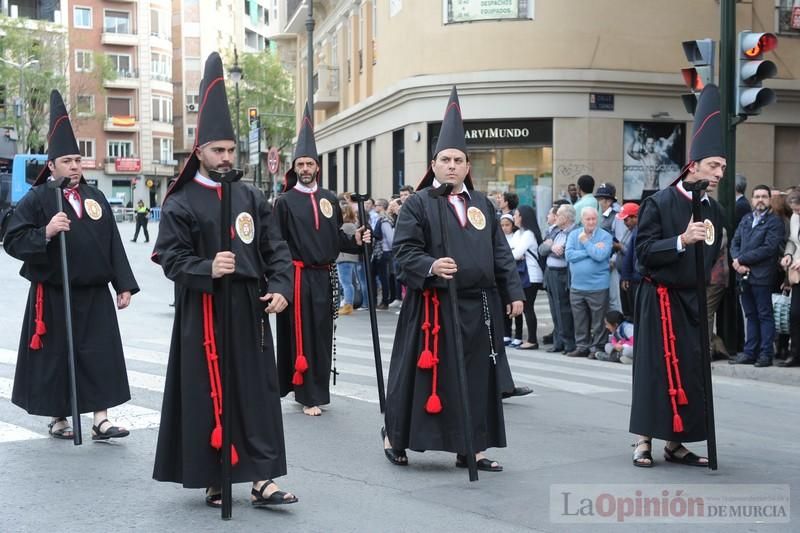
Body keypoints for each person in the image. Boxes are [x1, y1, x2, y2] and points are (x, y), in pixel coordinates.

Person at [151, 53, 297, 507]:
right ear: (200, 152)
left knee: (258, 393)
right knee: (209, 390)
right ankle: (216, 475)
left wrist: (280, 289)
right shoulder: (181, 201)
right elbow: (170, 258)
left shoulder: (252, 194)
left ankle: (263, 479)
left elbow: (276, 250)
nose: (227, 157)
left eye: (232, 150)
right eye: (219, 150)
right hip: (205, 311)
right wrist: (206, 267)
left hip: (250, 308)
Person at [381, 87, 525, 470]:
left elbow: (500, 252)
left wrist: (513, 291)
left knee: (477, 377)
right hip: (432, 306)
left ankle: (472, 447)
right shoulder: (418, 203)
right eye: (444, 159)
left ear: (467, 165)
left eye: (458, 159)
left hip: (478, 305)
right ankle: (396, 435)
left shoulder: (481, 205)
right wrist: (431, 265)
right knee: (418, 376)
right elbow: (405, 251)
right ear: (434, 163)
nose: (451, 165)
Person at [4, 90, 138, 441]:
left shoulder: (95, 198)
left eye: (78, 160)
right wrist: (46, 232)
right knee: (57, 356)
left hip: (94, 293)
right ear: (52, 166)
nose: (75, 167)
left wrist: (122, 284)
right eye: (67, 161)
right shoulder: (38, 199)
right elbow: (13, 239)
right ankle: (58, 416)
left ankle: (101, 418)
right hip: (55, 292)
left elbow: (112, 241)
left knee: (99, 353)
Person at [629, 84, 726, 468]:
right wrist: (681, 240)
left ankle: (677, 442)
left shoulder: (715, 211)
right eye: (714, 165)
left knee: (689, 370)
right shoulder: (659, 202)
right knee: (654, 370)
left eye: (722, 166)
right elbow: (643, 254)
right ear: (693, 166)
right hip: (659, 299)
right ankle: (643, 441)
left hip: (691, 301)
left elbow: (714, 257)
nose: (720, 172)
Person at [274, 104, 370, 417]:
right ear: (295, 167)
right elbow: (276, 244)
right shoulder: (285, 201)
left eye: (309, 164)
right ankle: (306, 394)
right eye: (300, 164)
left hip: (325, 276)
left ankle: (318, 390)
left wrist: (357, 240)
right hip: (298, 277)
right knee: (302, 335)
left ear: (317, 166)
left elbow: (336, 240)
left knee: (322, 333)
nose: (305, 168)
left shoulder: (329, 199)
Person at [729, 185, 786, 368]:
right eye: (757, 196)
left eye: (763, 196)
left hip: (762, 275)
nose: (760, 200)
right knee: (751, 315)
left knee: (764, 315)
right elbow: (734, 241)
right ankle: (749, 352)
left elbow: (769, 248)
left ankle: (765, 354)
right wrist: (736, 261)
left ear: (769, 200)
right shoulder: (746, 219)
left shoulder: (774, 222)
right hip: (743, 275)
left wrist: (741, 259)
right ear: (752, 199)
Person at [565, 206, 613, 358]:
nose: (591, 222)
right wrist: (590, 250)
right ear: (582, 220)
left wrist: (585, 242)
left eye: (593, 219)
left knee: (599, 321)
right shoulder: (573, 235)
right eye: (588, 219)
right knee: (579, 319)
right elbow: (569, 256)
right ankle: (582, 346)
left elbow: (600, 256)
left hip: (598, 286)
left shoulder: (605, 236)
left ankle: (596, 348)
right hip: (577, 286)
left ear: (597, 219)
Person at [540, 204, 577, 354]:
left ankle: (568, 343)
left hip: (562, 273)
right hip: (550, 273)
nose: (556, 218)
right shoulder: (556, 231)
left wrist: (551, 247)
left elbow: (564, 252)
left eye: (559, 215)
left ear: (566, 218)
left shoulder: (574, 232)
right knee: (554, 310)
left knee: (563, 309)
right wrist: (550, 247)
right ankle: (558, 342)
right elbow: (541, 249)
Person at [510, 205, 544, 349]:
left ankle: (532, 340)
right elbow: (510, 250)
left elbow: (515, 254)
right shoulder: (519, 233)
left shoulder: (529, 234)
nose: (514, 218)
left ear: (523, 217)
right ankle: (530, 339)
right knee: (525, 307)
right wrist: (516, 253)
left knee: (528, 307)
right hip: (522, 275)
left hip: (532, 276)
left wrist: (516, 253)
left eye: (516, 215)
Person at [779, 189, 800, 367]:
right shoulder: (794, 218)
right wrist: (788, 255)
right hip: (797, 274)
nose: (796, 212)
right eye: (793, 209)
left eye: (799, 209)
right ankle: (795, 354)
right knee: (794, 314)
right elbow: (792, 241)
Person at [500, 213, 523, 347]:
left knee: (517, 307)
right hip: (503, 278)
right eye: (502, 225)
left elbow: (517, 254)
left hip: (516, 276)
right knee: (505, 307)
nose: (504, 228)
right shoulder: (499, 238)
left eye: (507, 225)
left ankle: (519, 335)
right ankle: (506, 334)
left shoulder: (516, 236)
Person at [336, 201, 360, 316]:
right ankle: (347, 303)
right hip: (348, 257)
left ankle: (348, 304)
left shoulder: (346, 226)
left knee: (346, 282)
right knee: (347, 282)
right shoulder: (352, 225)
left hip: (344, 257)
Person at [617, 202, 640, 318]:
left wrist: (620, 247)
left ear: (635, 217)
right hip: (627, 278)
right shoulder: (630, 231)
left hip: (636, 279)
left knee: (635, 313)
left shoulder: (640, 231)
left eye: (626, 220)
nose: (625, 223)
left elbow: (632, 255)